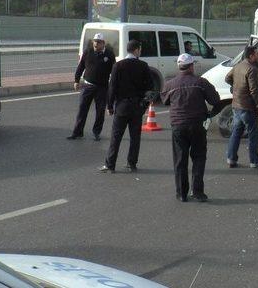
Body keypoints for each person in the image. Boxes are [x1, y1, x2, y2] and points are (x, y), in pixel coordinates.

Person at [160, 53, 220, 202]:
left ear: (179, 67)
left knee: (180, 159)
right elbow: (215, 99)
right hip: (198, 124)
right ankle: (198, 192)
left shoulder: (170, 84)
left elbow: (164, 100)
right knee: (199, 157)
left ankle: (181, 193)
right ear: (192, 66)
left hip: (178, 125)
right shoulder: (201, 82)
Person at [99, 40, 153, 173]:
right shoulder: (143, 66)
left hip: (122, 107)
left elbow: (112, 87)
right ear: (136, 50)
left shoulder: (118, 65)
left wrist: (110, 106)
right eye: (139, 49)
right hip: (137, 107)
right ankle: (131, 163)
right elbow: (150, 88)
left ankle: (110, 165)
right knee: (135, 137)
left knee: (116, 137)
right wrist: (144, 104)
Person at [225, 45, 258, 170]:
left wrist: (236, 87)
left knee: (236, 133)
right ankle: (254, 161)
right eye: (257, 54)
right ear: (251, 55)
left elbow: (227, 78)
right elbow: (254, 91)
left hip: (236, 105)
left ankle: (231, 158)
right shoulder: (252, 69)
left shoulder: (238, 66)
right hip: (248, 107)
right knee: (253, 135)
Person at [68, 33, 116, 141]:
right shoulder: (88, 52)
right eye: (95, 41)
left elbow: (114, 71)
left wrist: (114, 85)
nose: (96, 43)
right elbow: (80, 67)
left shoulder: (109, 54)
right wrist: (76, 80)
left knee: (100, 111)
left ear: (103, 43)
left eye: (98, 42)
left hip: (102, 87)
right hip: (87, 85)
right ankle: (77, 132)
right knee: (82, 109)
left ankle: (96, 132)